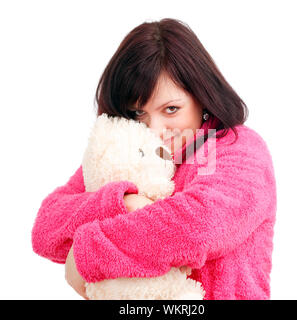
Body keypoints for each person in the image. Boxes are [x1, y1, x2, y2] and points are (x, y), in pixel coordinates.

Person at [31, 18, 277, 300]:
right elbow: (46, 227)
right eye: (138, 114)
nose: (155, 131)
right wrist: (124, 201)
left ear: (202, 98)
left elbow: (199, 228)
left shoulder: (237, 147)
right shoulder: (125, 149)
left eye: (171, 109)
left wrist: (86, 252)